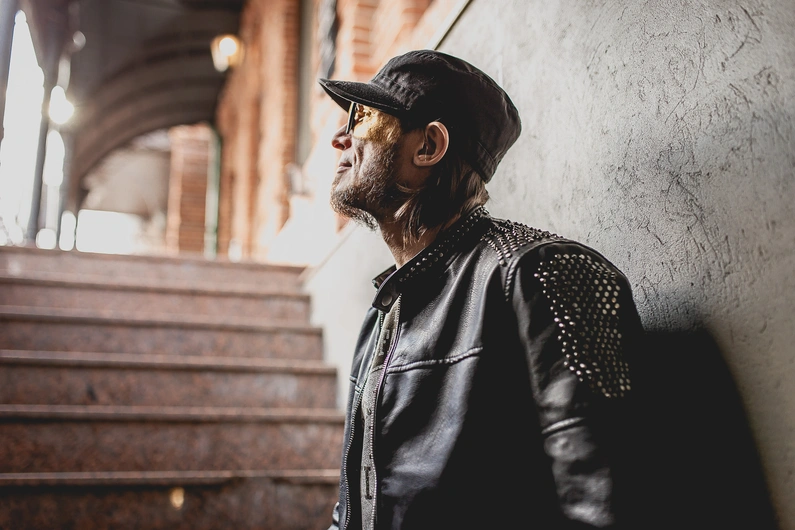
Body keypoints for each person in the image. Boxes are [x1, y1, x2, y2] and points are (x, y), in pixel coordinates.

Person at [318, 49, 643, 530]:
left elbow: (604, 508)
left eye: (362, 117)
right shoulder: (385, 307)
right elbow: (356, 507)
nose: (339, 137)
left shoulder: (542, 272)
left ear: (428, 146)